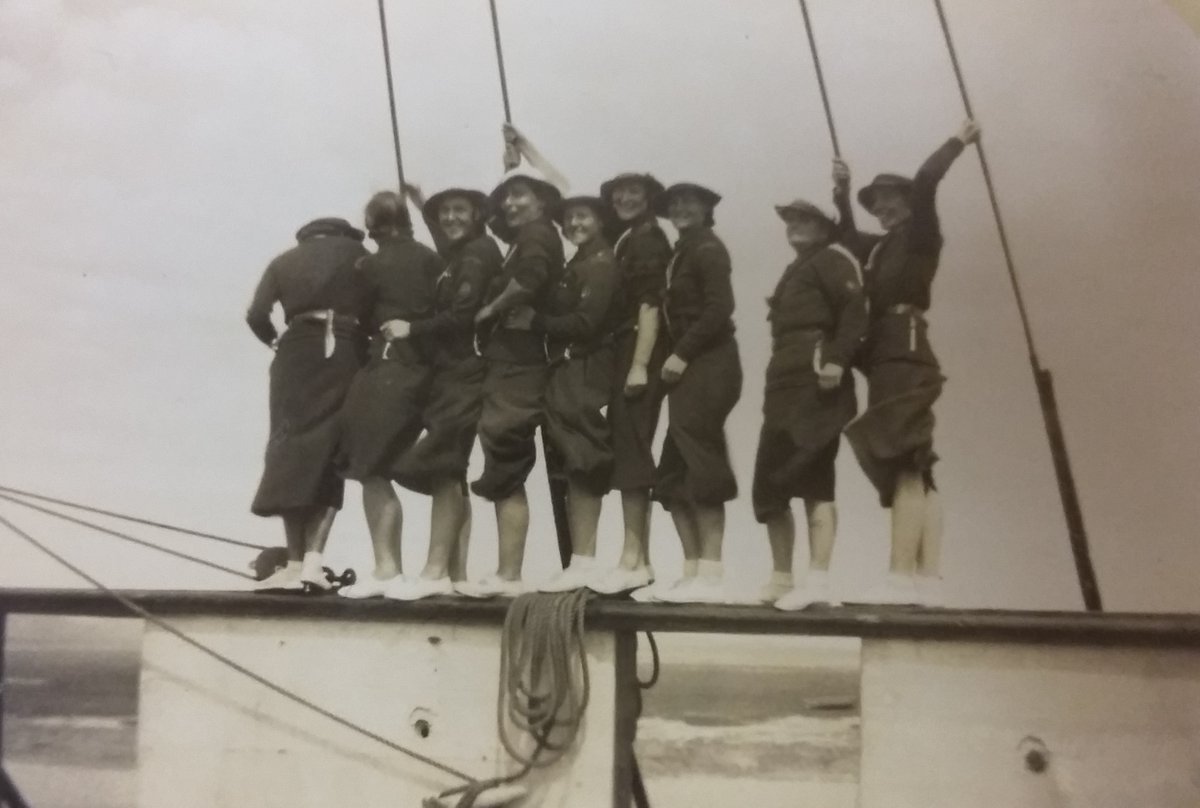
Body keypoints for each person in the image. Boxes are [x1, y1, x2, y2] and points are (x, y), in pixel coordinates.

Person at [833, 118, 981, 606]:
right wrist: (843, 192)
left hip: (904, 348)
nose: (883, 207)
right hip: (887, 356)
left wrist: (957, 141)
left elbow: (926, 181)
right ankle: (928, 580)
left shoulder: (920, 236)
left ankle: (900, 578)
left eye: (890, 198)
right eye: (875, 203)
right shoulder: (880, 249)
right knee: (917, 462)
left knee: (902, 461)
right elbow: (847, 239)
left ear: (908, 202)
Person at [380, 182, 503, 600]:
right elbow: (444, 241)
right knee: (451, 470)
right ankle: (455, 574)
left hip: (466, 369)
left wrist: (410, 329)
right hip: (452, 371)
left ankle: (434, 572)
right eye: (444, 211)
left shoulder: (478, 253)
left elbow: (463, 315)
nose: (450, 218)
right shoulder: (459, 254)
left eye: (459, 210)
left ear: (477, 215)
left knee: (445, 467)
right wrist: (419, 202)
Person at [457, 128, 566, 598]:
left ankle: (509, 576)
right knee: (504, 464)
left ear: (541, 201)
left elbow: (527, 282)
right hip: (510, 362)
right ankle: (507, 573)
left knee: (505, 459)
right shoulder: (525, 235)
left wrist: (487, 311)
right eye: (508, 199)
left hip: (520, 365)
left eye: (520, 196)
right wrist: (512, 164)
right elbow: (501, 222)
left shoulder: (539, 235)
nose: (510, 205)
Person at [753, 200, 867, 611]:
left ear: (825, 227)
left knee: (814, 478)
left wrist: (836, 359)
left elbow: (856, 312)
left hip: (816, 382)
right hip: (783, 382)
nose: (795, 226)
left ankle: (818, 580)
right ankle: (782, 578)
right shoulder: (796, 269)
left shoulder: (833, 260)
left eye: (805, 220)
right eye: (791, 220)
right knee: (770, 484)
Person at [245, 217, 369, 593]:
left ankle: (294, 563)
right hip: (344, 349)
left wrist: (275, 341)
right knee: (330, 451)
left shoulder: (283, 261)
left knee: (290, 454)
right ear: (343, 234)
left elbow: (256, 315)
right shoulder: (360, 255)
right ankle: (313, 564)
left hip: (294, 353)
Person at [513, 194, 623, 592]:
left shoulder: (599, 264)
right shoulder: (577, 261)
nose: (575, 223)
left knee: (582, 455)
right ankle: (580, 559)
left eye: (584, 216)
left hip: (584, 363)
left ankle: (586, 560)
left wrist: (536, 321)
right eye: (570, 217)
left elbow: (586, 321)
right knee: (570, 455)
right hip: (565, 366)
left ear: (600, 221)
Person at [336, 192, 443, 599]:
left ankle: (387, 569)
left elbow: (359, 318)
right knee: (395, 466)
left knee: (371, 469)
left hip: (388, 367)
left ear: (372, 225)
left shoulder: (369, 265)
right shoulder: (431, 259)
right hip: (427, 369)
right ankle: (427, 569)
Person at [645, 183, 743, 604]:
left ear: (706, 209)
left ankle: (712, 575)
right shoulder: (681, 251)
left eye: (690, 202)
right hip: (688, 368)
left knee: (701, 462)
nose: (681, 208)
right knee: (671, 474)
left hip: (710, 363)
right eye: (675, 204)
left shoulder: (707, 249)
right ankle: (691, 572)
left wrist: (682, 354)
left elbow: (720, 308)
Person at [588, 172, 674, 596]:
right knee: (628, 447)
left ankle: (632, 559)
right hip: (626, 346)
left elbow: (650, 303)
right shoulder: (627, 236)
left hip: (639, 347)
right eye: (617, 191)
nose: (623, 197)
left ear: (650, 198)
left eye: (633, 191)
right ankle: (640, 559)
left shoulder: (645, 239)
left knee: (632, 448)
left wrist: (640, 364)